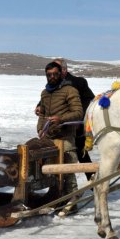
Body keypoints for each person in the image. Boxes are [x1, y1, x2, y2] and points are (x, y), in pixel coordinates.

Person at [35, 58, 95, 180]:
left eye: (56, 70)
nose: (53, 74)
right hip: (53, 130)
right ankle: (58, 187)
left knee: (78, 154)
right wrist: (38, 107)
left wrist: (76, 119)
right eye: (50, 72)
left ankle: (91, 181)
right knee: (55, 159)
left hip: (74, 125)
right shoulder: (49, 89)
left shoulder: (78, 83)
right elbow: (46, 103)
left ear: (63, 69)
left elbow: (88, 101)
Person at [37, 61, 83, 214]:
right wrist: (40, 129)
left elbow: (78, 113)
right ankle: (57, 199)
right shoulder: (45, 93)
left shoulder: (70, 90)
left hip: (65, 137)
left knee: (68, 170)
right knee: (53, 171)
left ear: (61, 73)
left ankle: (72, 202)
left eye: (55, 74)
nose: (52, 77)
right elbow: (43, 113)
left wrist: (61, 118)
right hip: (49, 138)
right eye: (49, 74)